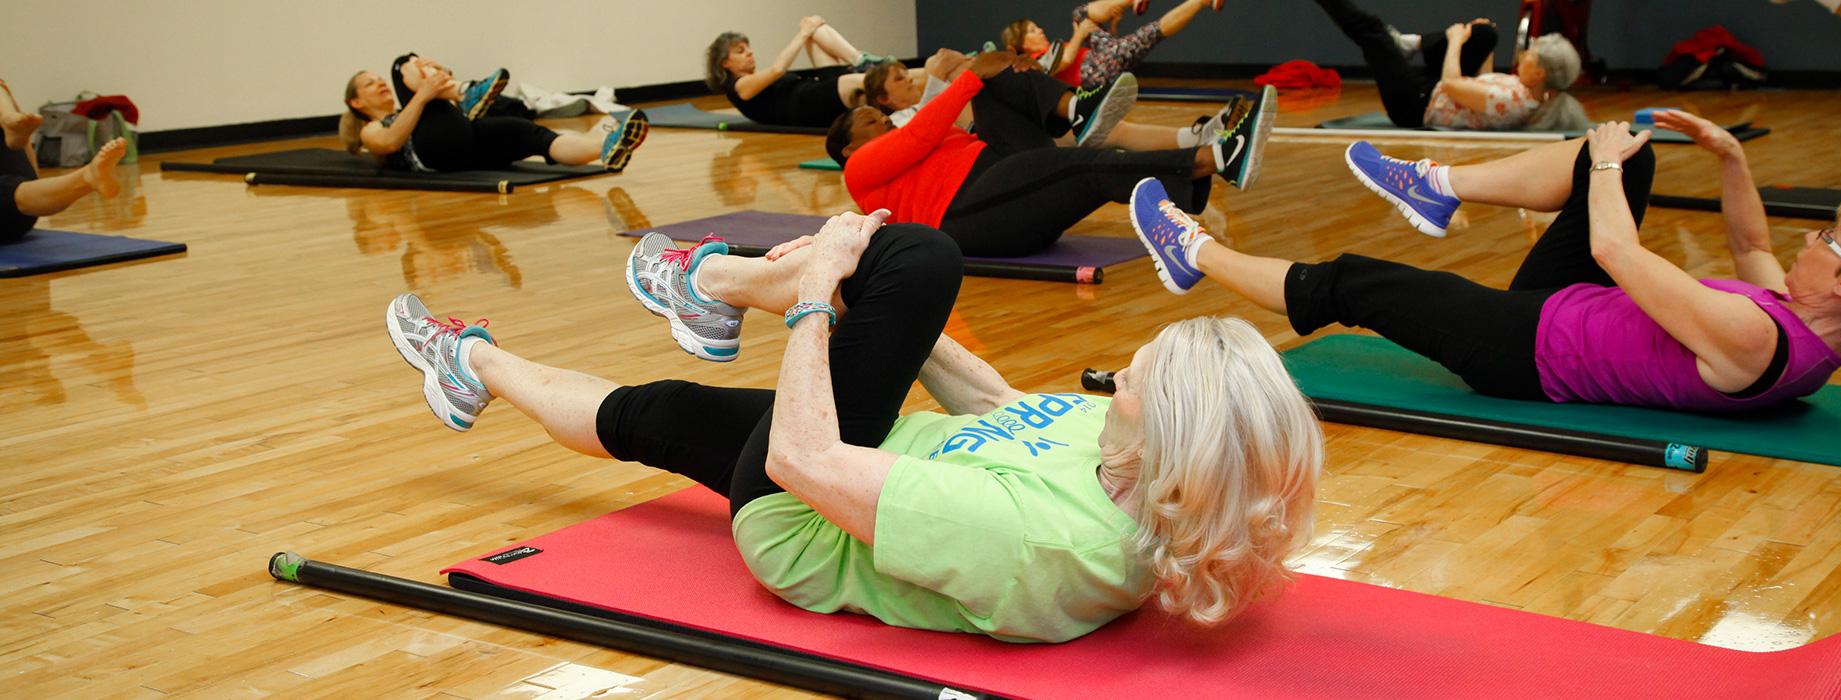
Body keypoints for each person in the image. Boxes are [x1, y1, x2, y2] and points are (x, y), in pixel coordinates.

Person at [383, 209, 1322, 642]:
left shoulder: (1040, 541)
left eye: (1130, 379)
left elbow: (799, 458)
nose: (1113, 374)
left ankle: (709, 285)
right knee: (654, 413)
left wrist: (816, 297)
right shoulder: (1135, 451)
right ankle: (470, 364)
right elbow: (1002, 408)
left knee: (919, 257)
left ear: (1167, 431)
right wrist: (875, 314)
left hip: (798, 511)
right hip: (859, 459)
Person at [1130, 112, 1841, 412]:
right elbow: (1749, 244)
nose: (1806, 242)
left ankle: (1193, 250)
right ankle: (1437, 188)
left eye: (1826, 241)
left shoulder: (1755, 338)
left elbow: (1617, 248)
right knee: (1630, 159)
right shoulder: (1807, 327)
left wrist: (1604, 163)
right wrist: (1729, 156)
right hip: (1568, 308)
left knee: (1355, 280)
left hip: (1528, 353)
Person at [826, 52, 1276, 258]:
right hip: (968, 215)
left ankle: (1077, 107)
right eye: (869, 120)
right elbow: (920, 135)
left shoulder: (907, 137)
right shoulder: (859, 168)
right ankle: (1215, 158)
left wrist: (1002, 68)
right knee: (1082, 165)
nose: (882, 121)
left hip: (998, 175)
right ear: (849, 146)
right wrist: (968, 78)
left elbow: (949, 120)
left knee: (999, 80)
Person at [863, 53, 1247, 148]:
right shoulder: (896, 125)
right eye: (900, 80)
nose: (909, 81)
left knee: (1112, 132)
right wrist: (936, 74)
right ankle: (1074, 107)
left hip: (998, 132)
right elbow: (924, 133)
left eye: (907, 73)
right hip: (984, 147)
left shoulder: (929, 97)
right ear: (884, 100)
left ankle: (1202, 139)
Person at [340, 54, 648, 173]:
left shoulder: (421, 106)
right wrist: (425, 90)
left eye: (380, 80)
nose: (381, 83)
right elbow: (391, 142)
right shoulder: (372, 128)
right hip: (431, 154)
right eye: (370, 83)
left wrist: (434, 78)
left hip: (465, 142)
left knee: (530, 134)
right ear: (356, 102)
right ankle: (464, 91)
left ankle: (605, 147)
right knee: (403, 62)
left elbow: (446, 117)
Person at [1311, 0, 1587, 131]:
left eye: (1531, 55)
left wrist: (1456, 41)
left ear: (1539, 72)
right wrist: (1483, 44)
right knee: (1485, 34)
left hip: (1415, 103)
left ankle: (1405, 43)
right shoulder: (1526, 92)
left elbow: (1451, 85)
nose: (1524, 55)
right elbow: (1484, 81)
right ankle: (1412, 44)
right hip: (1436, 92)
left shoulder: (1513, 101)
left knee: (1372, 32)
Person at [1, 79, 126, 244]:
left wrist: (34, 187)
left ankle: (9, 119)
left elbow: (21, 143)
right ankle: (86, 177)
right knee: (8, 188)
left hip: (21, 204)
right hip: (12, 205)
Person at [705, 17, 889, 128]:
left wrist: (808, 30)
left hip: (815, 92)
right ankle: (871, 70)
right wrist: (802, 33)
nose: (750, 52)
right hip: (811, 105)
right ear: (725, 63)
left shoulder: (751, 81)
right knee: (870, 81)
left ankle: (861, 61)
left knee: (816, 31)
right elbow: (778, 69)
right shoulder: (738, 87)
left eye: (748, 48)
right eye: (740, 51)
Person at [1004, 0, 1224, 89]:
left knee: (1080, 14)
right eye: (1032, 31)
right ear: (1020, 44)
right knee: (1151, 32)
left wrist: (1113, 29)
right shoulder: (1032, 62)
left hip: (1099, 59)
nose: (1040, 30)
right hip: (1093, 73)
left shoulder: (1050, 49)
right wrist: (1080, 34)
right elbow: (1066, 61)